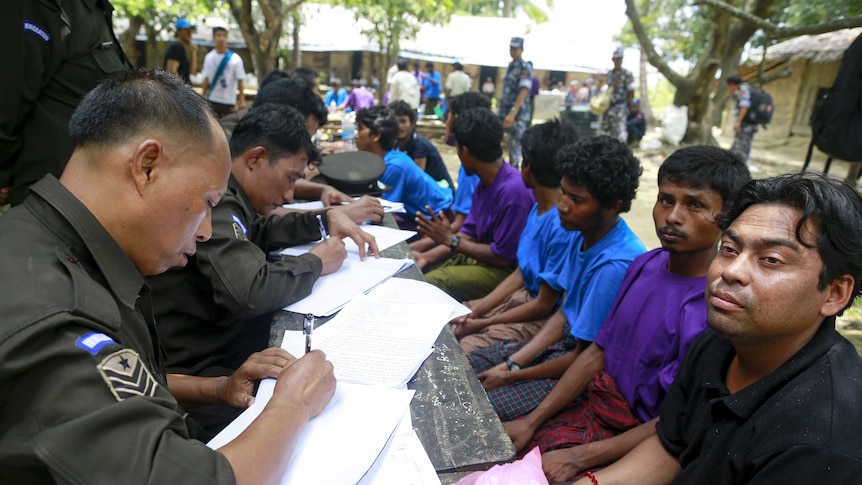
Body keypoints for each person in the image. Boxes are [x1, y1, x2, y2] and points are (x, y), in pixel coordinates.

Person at [0, 68, 335, 483]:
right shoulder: (54, 314)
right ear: (146, 166)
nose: (206, 230)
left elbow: (122, 386)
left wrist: (216, 388)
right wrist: (293, 405)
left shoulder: (44, 241)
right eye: (207, 201)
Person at [570, 172, 862, 485]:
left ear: (834, 293)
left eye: (771, 260)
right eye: (730, 249)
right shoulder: (718, 343)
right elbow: (670, 447)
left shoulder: (821, 442)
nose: (731, 271)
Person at [504, 146, 750, 483]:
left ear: (728, 218)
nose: (673, 217)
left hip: (639, 441)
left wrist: (578, 457)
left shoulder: (713, 309)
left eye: (695, 205)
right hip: (593, 406)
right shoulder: (644, 265)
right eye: (666, 199)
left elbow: (674, 423)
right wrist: (533, 419)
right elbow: (597, 352)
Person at [148, 103, 376, 441]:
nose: (288, 195)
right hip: (199, 367)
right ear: (255, 158)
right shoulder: (219, 198)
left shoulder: (236, 199)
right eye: (289, 179)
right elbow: (250, 291)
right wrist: (314, 262)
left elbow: (259, 229)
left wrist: (321, 219)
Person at [468, 136, 646, 423]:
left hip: (584, 372)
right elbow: (564, 313)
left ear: (614, 206)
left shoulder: (614, 264)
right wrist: (513, 363)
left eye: (577, 200)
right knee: (466, 368)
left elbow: (585, 359)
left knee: (478, 409)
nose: (563, 205)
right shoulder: (583, 235)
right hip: (563, 348)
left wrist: (513, 374)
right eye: (563, 193)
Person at [450, 119, 579, 353]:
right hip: (520, 298)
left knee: (465, 349)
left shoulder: (561, 225)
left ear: (527, 167)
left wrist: (484, 322)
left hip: (539, 317)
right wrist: (477, 309)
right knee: (452, 318)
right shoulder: (537, 208)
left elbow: (543, 305)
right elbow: (520, 274)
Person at [1, 0, 130, 207]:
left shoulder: (94, 10)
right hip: (48, 202)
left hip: (95, 200)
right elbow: (9, 100)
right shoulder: (43, 6)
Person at [414, 107, 535, 302]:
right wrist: (426, 256)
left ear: (465, 151)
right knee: (424, 269)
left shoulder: (514, 191)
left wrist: (450, 240)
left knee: (433, 282)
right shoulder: (483, 183)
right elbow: (467, 234)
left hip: (506, 272)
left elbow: (502, 257)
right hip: (483, 258)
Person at [354, 105, 452, 229]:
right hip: (417, 215)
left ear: (376, 136)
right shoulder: (387, 158)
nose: (356, 135)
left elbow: (383, 212)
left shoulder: (393, 167)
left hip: (438, 218)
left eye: (360, 129)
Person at [390, 100, 454, 192]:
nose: (399, 126)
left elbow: (416, 180)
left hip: (440, 195)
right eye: (395, 122)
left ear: (412, 123)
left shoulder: (420, 145)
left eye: (403, 121)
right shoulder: (396, 144)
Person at [498, 36, 534, 168]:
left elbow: (523, 91)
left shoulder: (525, 67)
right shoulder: (510, 66)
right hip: (503, 111)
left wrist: (513, 113)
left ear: (522, 50)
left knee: (515, 146)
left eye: (515, 49)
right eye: (511, 48)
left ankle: (514, 177)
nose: (512, 51)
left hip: (517, 115)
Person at [201, 27, 246, 118]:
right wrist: (202, 97)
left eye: (224, 36)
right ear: (214, 38)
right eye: (218, 35)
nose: (221, 38)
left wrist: (241, 100)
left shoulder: (235, 59)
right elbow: (206, 79)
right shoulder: (209, 57)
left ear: (227, 38)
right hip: (212, 99)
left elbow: (240, 81)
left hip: (228, 101)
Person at [726, 74, 759, 172]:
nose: (729, 89)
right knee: (740, 143)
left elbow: (745, 106)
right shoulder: (746, 88)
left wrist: (738, 122)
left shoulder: (742, 90)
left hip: (747, 123)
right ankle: (735, 163)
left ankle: (743, 165)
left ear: (732, 84)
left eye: (728, 86)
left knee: (744, 143)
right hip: (750, 122)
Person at [601, 48, 634, 143]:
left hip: (620, 107)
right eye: (616, 59)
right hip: (608, 107)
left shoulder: (627, 74)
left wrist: (626, 104)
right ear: (613, 60)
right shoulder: (610, 73)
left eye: (620, 59)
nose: (618, 61)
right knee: (607, 131)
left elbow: (631, 91)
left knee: (619, 133)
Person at [164, 17, 197, 85]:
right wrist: (181, 92)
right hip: (179, 92)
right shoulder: (176, 46)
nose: (189, 33)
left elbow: (192, 72)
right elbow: (172, 72)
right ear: (178, 32)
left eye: (190, 30)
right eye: (186, 30)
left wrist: (193, 53)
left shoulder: (182, 47)